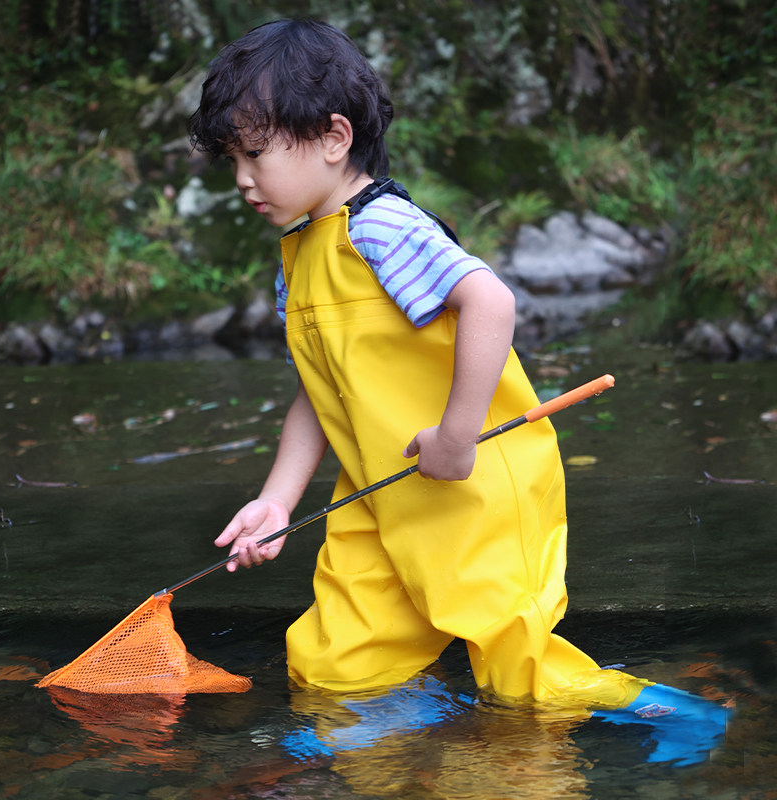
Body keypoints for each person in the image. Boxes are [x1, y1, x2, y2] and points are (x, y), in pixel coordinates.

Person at [188, 18, 648, 707]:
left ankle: (674, 722)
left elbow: (490, 302)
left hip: (472, 486)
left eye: (256, 152)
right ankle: (406, 754)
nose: (243, 178)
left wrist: (458, 436)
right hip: (377, 494)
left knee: (523, 675)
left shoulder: (380, 227)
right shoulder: (301, 253)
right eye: (232, 160)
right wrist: (277, 502)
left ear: (335, 138)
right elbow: (320, 391)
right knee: (336, 663)